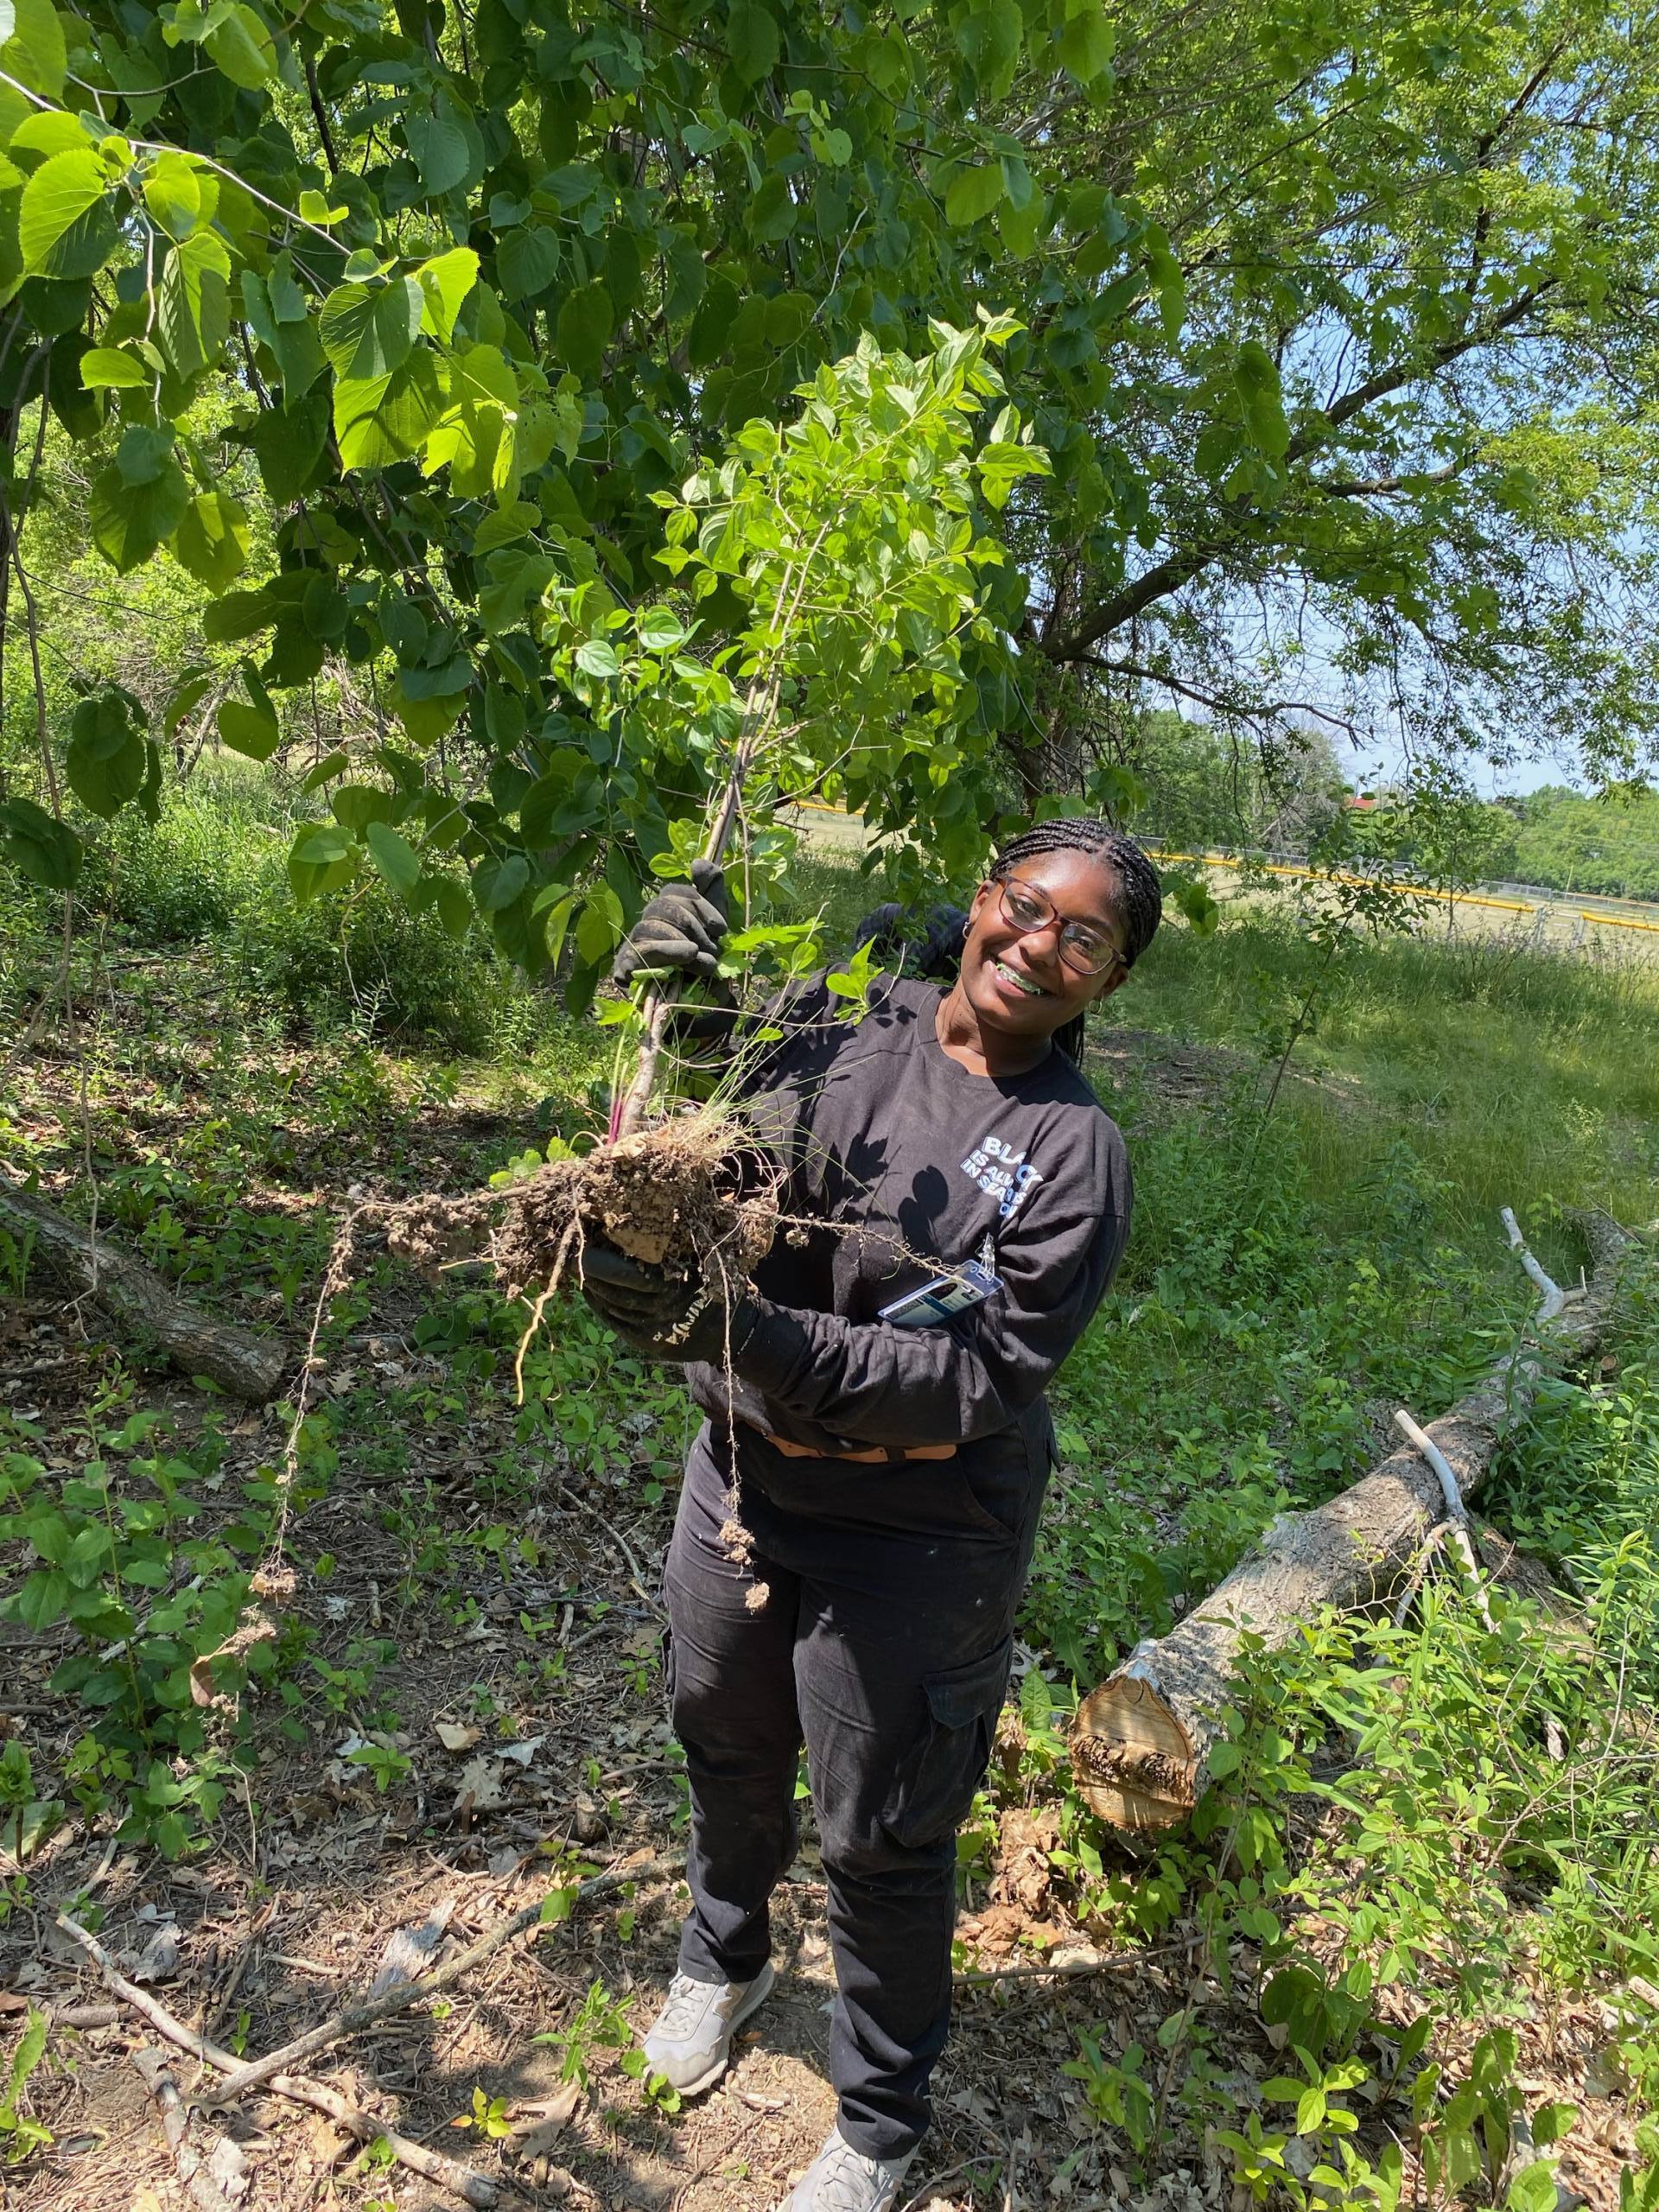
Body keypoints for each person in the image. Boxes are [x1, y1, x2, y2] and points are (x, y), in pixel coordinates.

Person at [580, 820, 1162, 2212]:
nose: (1043, 945)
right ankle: (724, 1959)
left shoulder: (1075, 1157)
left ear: (1110, 979)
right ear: (982, 901)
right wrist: (654, 979)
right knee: (720, 1730)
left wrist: (750, 1333)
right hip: (743, 1475)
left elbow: (974, 1377)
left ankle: (881, 2120)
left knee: (884, 1830)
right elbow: (697, 1105)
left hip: (923, 1532)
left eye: (1087, 938)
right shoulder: (839, 1020)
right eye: (1029, 907)